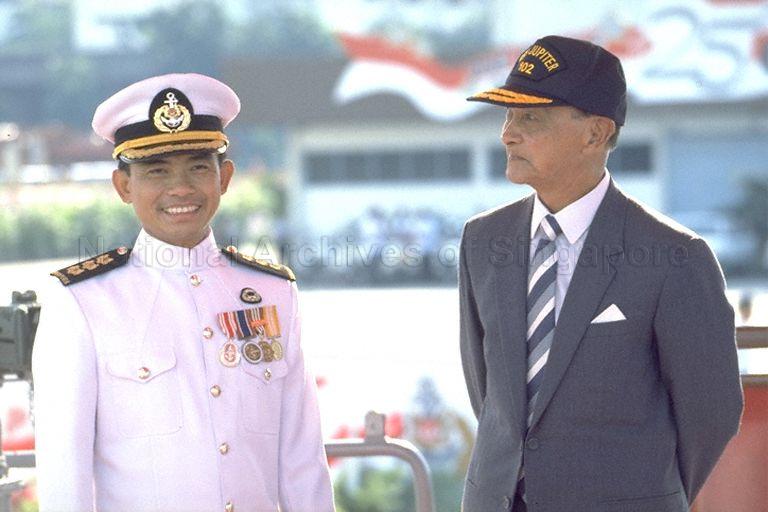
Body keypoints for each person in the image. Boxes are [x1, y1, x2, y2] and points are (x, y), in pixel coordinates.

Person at [459, 35, 743, 512]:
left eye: (530, 118)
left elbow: (711, 413)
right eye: (507, 116)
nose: (508, 134)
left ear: (595, 133)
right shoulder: (483, 240)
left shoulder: (676, 256)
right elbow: (488, 394)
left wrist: (647, 496)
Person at [32, 73, 335, 512]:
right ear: (124, 186)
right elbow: (65, 472)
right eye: (157, 170)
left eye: (198, 167)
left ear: (224, 177)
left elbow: (302, 459)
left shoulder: (273, 293)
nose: (181, 188)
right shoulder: (82, 301)